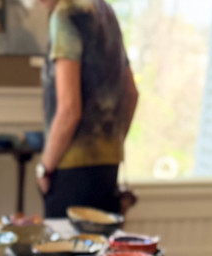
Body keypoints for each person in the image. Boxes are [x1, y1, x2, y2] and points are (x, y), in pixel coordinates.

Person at [35, 0, 138, 218]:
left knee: (66, 240)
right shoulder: (105, 11)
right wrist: (111, 141)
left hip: (71, 170)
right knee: (102, 240)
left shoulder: (65, 15)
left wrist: (45, 168)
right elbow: (131, 94)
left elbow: (69, 111)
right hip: (108, 169)